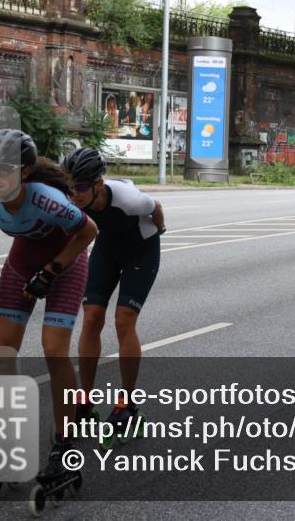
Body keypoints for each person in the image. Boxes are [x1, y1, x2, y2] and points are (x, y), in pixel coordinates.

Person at [0, 129, 98, 484]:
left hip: (66, 264)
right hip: (22, 262)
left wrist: (51, 271)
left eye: (3, 169)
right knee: (2, 352)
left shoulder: (47, 200)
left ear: (24, 172)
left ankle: (64, 446)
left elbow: (89, 232)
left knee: (54, 351)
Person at [62, 148, 165, 443]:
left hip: (141, 248)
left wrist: (160, 230)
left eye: (80, 188)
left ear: (98, 184)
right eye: (70, 188)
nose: (74, 195)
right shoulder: (71, 197)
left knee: (123, 320)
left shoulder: (128, 198)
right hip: (107, 247)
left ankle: (127, 404)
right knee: (92, 317)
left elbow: (156, 207)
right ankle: (85, 400)